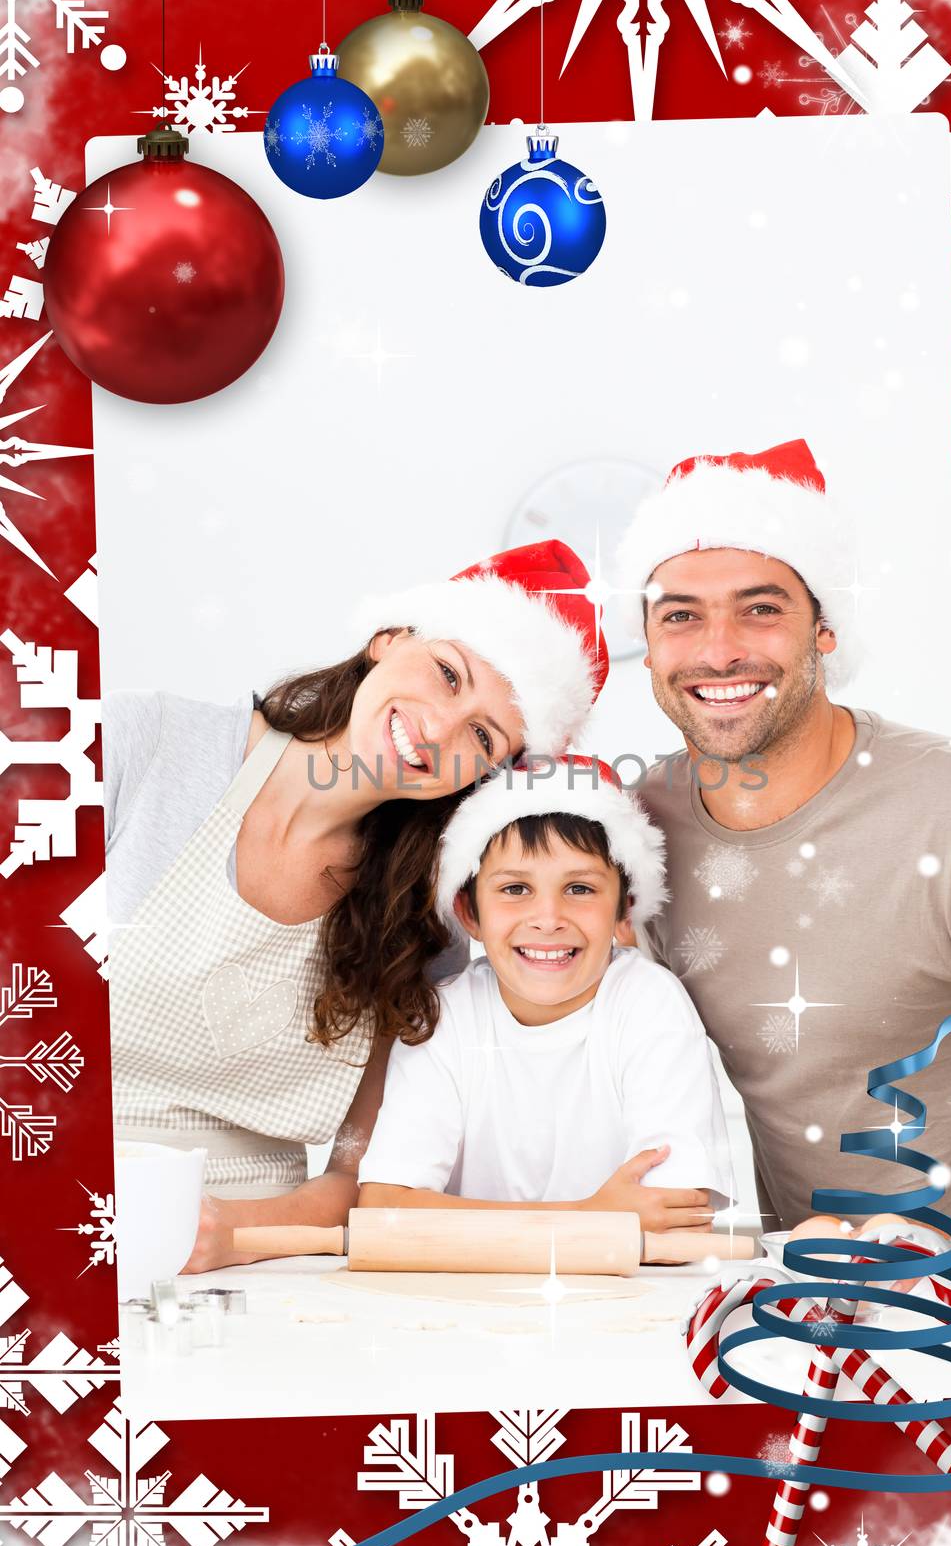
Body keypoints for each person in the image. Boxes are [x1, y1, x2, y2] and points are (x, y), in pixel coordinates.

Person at [103, 540, 608, 1271]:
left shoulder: (422, 921)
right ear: (387, 639)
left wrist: (227, 1234)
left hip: (252, 1255)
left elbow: (363, 1177)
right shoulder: (142, 747)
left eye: (482, 734)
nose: (437, 729)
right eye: (445, 675)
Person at [615, 439, 951, 1232]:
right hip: (802, 1283)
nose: (718, 650)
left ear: (823, 628)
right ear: (646, 644)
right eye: (681, 615)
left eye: (761, 608)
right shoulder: (632, 831)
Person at [358, 756, 734, 1228]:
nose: (549, 918)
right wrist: (587, 1219)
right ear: (469, 913)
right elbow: (383, 1210)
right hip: (465, 1297)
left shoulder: (649, 1005)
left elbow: (676, 1215)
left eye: (579, 888)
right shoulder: (443, 1017)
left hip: (620, 1297)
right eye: (515, 888)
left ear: (624, 911)